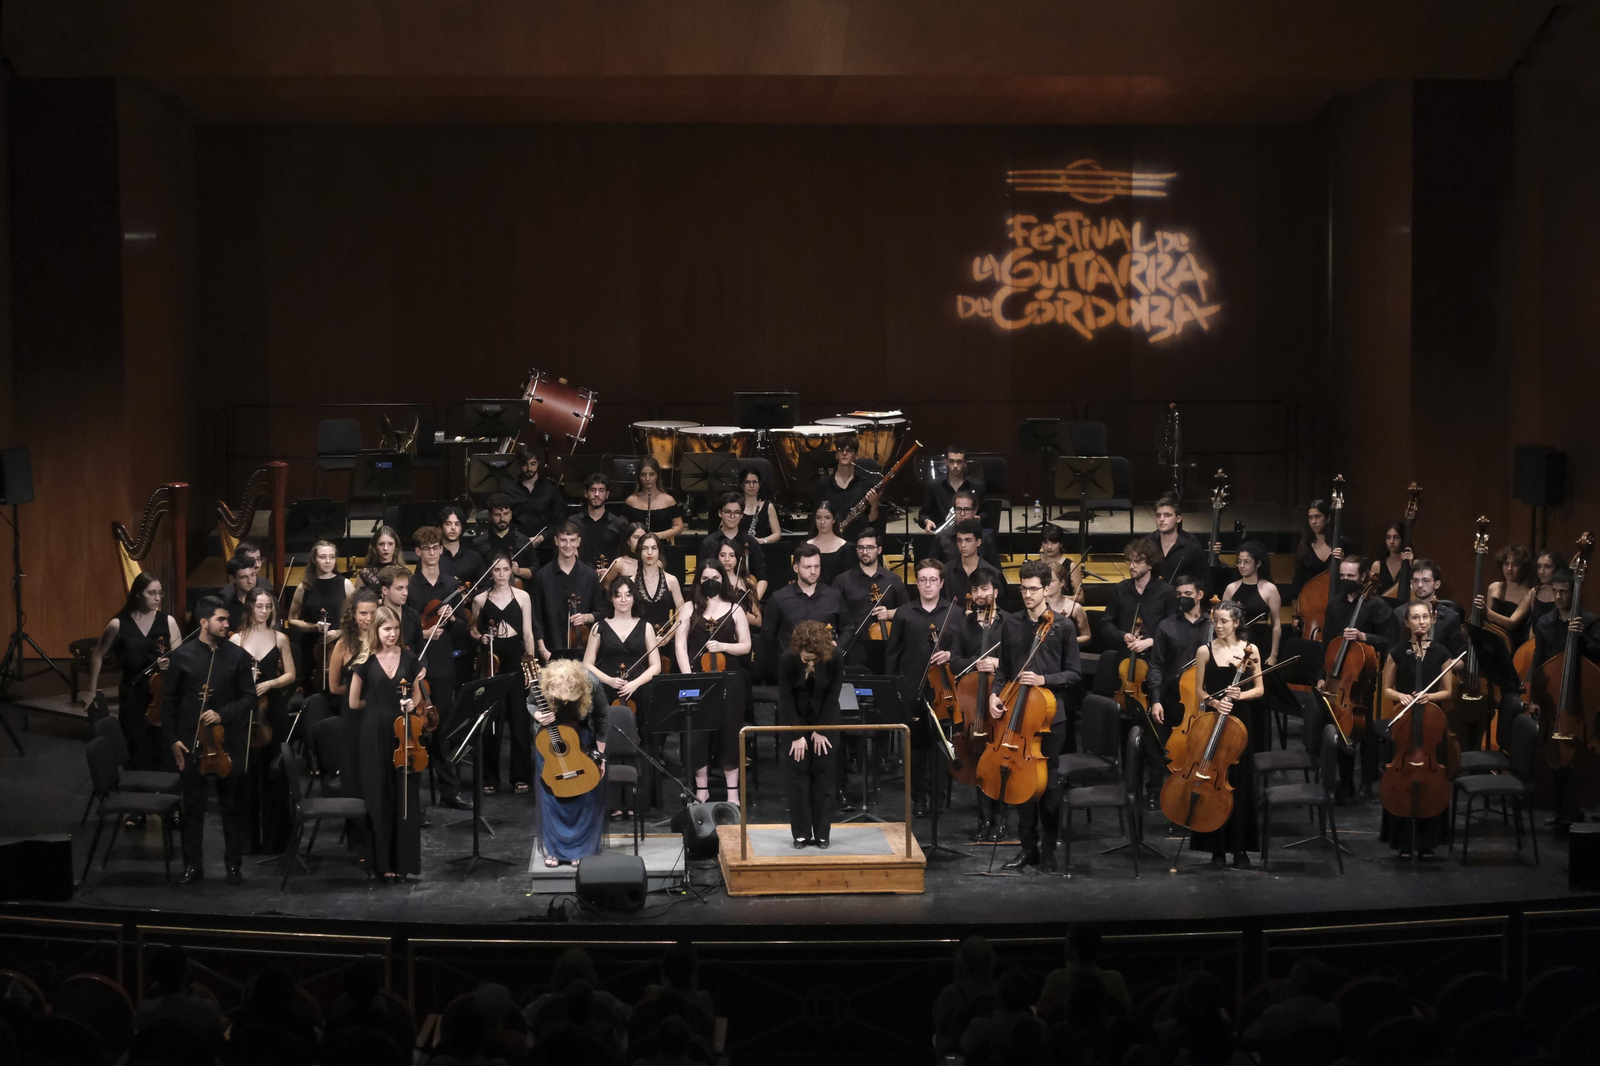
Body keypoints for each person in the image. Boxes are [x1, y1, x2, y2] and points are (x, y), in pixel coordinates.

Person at [991, 560, 1082, 872]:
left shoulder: (1063, 626)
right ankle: (1026, 847)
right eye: (1023, 588)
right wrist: (994, 693)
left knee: (1050, 785)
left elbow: (1074, 674)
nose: (1027, 594)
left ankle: (1049, 849)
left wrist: (1045, 680)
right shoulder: (1010, 623)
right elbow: (1003, 669)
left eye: (1033, 589)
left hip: (1050, 718)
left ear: (1047, 589)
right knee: (1021, 782)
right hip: (1016, 717)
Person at [163, 595, 257, 885]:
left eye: (227, 619)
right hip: (192, 742)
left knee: (232, 806)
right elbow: (169, 702)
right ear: (204, 622)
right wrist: (173, 739)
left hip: (228, 742)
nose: (226, 624)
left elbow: (249, 698)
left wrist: (222, 713)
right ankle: (193, 866)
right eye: (220, 619)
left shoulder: (238, 657)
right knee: (192, 807)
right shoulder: (182, 656)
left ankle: (233, 866)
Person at [347, 605, 425, 881]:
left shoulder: (410, 657)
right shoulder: (364, 660)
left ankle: (404, 862)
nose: (392, 634)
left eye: (395, 629)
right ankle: (382, 863)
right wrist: (379, 704)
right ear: (375, 630)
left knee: (404, 795)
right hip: (373, 733)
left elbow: (417, 697)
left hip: (403, 733)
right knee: (378, 796)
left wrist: (408, 703)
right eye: (386, 629)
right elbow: (353, 702)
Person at [1186, 601, 1266, 868]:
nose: (1218, 626)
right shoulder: (1204, 651)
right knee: (1212, 782)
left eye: (1223, 621)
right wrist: (1215, 702)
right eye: (1215, 621)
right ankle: (1215, 849)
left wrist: (1239, 695)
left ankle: (1240, 849)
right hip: (1214, 721)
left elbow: (1259, 689)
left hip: (1240, 724)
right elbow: (1199, 690)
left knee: (1240, 785)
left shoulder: (1250, 650)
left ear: (1236, 623)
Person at [84, 573, 183, 784]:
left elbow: (182, 659)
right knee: (136, 745)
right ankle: (136, 804)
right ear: (138, 594)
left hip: (161, 693)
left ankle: (163, 802)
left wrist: (170, 665)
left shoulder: (168, 621)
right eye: (151, 593)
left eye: (160, 593)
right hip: (133, 693)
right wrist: (91, 690)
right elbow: (98, 655)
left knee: (163, 746)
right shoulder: (118, 625)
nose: (157, 598)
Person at [885, 557, 965, 817]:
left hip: (946, 692)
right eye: (922, 580)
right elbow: (893, 654)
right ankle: (918, 800)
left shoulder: (955, 613)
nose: (927, 585)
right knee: (916, 751)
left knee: (942, 749)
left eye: (933, 580)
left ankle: (938, 801)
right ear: (916, 584)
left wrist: (950, 654)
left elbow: (964, 652)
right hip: (912, 690)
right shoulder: (905, 613)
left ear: (941, 583)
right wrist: (894, 689)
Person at [1379, 600, 1457, 860]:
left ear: (1432, 619)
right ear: (1407, 622)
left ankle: (1429, 840)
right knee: (1400, 775)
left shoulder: (1441, 652)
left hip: (1431, 728)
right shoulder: (1397, 652)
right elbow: (1386, 689)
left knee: (1434, 777)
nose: (1421, 622)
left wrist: (1429, 697)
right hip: (1404, 724)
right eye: (1416, 617)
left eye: (1425, 617)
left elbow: (1448, 690)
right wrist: (1401, 696)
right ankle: (1401, 839)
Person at [675, 561, 752, 803]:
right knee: (698, 735)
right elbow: (680, 644)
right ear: (699, 580)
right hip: (698, 678)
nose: (712, 582)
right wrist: (688, 677)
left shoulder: (735, 608)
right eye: (707, 577)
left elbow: (746, 645)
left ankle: (732, 793)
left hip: (730, 680)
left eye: (716, 577)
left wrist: (724, 646)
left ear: (723, 580)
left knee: (730, 733)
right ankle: (702, 789)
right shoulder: (688, 608)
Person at [406, 525, 472, 810]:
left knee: (443, 727)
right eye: (427, 549)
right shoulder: (408, 585)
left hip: (444, 663)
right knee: (415, 728)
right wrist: (416, 634)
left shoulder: (450, 584)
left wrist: (453, 620)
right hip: (415, 662)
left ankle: (449, 790)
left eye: (436, 548)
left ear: (441, 550)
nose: (432, 553)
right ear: (418, 552)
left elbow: (463, 631)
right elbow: (400, 622)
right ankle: (414, 796)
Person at [230, 587, 297, 853]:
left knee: (273, 773)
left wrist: (269, 683)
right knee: (246, 775)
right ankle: (247, 841)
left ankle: (276, 840)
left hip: (273, 712)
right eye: (258, 606)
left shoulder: (280, 638)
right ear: (249, 607)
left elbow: (291, 674)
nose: (264, 611)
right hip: (246, 714)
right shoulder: (236, 640)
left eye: (268, 606)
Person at [1320, 555, 1392, 800]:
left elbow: (1390, 640)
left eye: (1351, 576)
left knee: (1366, 730)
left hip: (1363, 677)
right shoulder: (1335, 604)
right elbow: (1327, 643)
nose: (1345, 580)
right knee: (1341, 726)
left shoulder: (1376, 605)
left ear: (1363, 577)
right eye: (1342, 575)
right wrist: (1323, 675)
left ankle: (1367, 784)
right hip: (1338, 676)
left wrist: (1364, 637)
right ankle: (1346, 782)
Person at [530, 659, 611, 867]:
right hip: (549, 744)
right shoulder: (541, 681)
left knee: (584, 795)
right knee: (552, 799)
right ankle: (555, 850)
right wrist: (539, 715)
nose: (564, 704)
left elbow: (603, 717)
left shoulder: (591, 681)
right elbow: (530, 703)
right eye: (559, 700)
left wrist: (600, 757)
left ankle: (582, 849)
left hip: (579, 740)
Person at [472, 553, 541, 794]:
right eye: (496, 570)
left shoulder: (523, 596)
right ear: (490, 572)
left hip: (515, 655)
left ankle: (520, 777)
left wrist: (529, 667)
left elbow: (528, 634)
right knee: (492, 721)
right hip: (492, 657)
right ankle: (489, 778)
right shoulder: (480, 599)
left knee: (520, 721)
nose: (501, 575)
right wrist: (480, 636)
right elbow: (472, 629)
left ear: (511, 570)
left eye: (504, 570)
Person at [1145, 575, 1210, 801]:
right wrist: (1155, 699)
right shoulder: (1166, 626)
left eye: (1188, 594)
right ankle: (1156, 790)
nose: (1182, 599)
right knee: (1163, 746)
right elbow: (1156, 665)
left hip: (1206, 699)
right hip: (1173, 699)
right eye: (1179, 595)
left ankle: (1197, 792)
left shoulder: (1214, 626)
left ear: (1200, 595)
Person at [955, 566, 1009, 841]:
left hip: (1000, 703)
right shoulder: (962, 624)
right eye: (975, 589)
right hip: (973, 709)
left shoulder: (1009, 623)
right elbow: (954, 662)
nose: (979, 594)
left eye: (985, 589)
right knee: (977, 762)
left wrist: (998, 663)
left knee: (1001, 760)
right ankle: (984, 818)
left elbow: (1021, 661)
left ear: (995, 592)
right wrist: (974, 664)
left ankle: (1001, 819)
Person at [778, 620, 842, 848]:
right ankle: (801, 834)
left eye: (815, 658)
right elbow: (785, 699)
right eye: (806, 658)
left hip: (826, 721)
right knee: (798, 777)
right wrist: (797, 735)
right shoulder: (787, 659)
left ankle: (823, 833)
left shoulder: (835, 656)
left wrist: (821, 730)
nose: (811, 662)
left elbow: (834, 693)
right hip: (794, 721)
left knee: (824, 777)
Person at [329, 590, 380, 850]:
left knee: (377, 774)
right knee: (353, 775)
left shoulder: (386, 641)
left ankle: (378, 836)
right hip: (352, 718)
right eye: (363, 613)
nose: (368, 618)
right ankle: (357, 840)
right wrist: (358, 696)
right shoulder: (343, 644)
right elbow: (334, 686)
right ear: (354, 614)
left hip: (379, 718)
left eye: (372, 613)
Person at [1094, 540, 1177, 696]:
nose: (1132, 566)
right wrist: (1123, 635)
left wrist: (1151, 641)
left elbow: (1174, 630)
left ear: (1150, 565)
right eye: (1130, 561)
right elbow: (1106, 624)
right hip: (1124, 660)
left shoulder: (1167, 592)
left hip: (1156, 661)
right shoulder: (1119, 589)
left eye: (1137, 561)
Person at [833, 526, 909, 672]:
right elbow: (834, 613)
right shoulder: (842, 581)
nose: (864, 552)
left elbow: (908, 611)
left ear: (879, 550)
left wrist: (890, 613)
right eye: (860, 547)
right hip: (853, 647)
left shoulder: (894, 580)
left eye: (869, 547)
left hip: (886, 648)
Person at [583, 577, 660, 707]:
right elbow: (587, 664)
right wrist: (610, 681)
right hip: (607, 688)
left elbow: (656, 666)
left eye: (628, 595)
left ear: (634, 598)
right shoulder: (598, 627)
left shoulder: (646, 627)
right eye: (618, 595)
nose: (623, 600)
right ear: (611, 599)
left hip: (639, 688)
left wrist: (635, 684)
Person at [286, 539, 353, 689]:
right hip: (310, 645)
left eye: (332, 557)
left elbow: (356, 620)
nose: (328, 561)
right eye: (323, 557)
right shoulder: (303, 587)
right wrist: (314, 627)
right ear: (314, 560)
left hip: (339, 644)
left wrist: (338, 632)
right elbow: (292, 620)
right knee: (311, 686)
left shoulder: (346, 584)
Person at [1036, 924, 1133, 1022]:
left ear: (1072, 949)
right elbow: (1126, 1013)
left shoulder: (1056, 979)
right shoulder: (1114, 980)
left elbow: (1042, 1014)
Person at [761, 543, 845, 652]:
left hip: (825, 662)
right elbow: (767, 635)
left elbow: (847, 629)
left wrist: (837, 644)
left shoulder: (834, 596)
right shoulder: (779, 597)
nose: (813, 572)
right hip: (791, 663)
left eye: (817, 566)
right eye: (808, 567)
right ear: (796, 568)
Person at [536, 522, 601, 659]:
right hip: (551, 649)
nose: (568, 545)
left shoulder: (590, 575)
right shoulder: (542, 576)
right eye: (563, 540)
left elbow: (600, 612)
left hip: (583, 650)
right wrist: (543, 650)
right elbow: (536, 618)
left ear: (579, 542)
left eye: (572, 540)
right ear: (556, 541)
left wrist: (586, 617)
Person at [698, 492, 770, 597]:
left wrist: (753, 603)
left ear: (741, 515)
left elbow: (762, 578)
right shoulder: (708, 543)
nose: (732, 516)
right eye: (727, 512)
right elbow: (700, 578)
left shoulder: (751, 542)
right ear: (720, 513)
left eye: (737, 512)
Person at [814, 435, 881, 540]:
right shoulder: (825, 484)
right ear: (836, 455)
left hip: (859, 542)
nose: (844, 453)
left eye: (849, 450)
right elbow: (817, 519)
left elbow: (872, 521)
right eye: (841, 450)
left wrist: (874, 504)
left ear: (856, 455)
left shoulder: (866, 484)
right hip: (832, 541)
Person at [629, 532, 685, 653]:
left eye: (654, 548)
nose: (650, 553)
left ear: (659, 551)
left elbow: (683, 614)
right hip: (639, 640)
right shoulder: (631, 582)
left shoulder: (671, 580)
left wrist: (668, 637)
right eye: (645, 548)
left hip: (665, 639)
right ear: (639, 552)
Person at [505, 445, 565, 553]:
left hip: (546, 546)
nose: (529, 469)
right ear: (519, 464)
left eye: (533, 464)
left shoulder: (551, 490)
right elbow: (506, 520)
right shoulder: (509, 490)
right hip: (517, 546)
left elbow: (559, 522)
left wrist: (542, 537)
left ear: (538, 463)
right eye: (525, 464)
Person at [1290, 497, 1352, 602]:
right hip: (1311, 599)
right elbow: (1298, 578)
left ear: (1328, 518)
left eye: (1318, 517)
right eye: (1310, 517)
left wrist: (1343, 561)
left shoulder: (1342, 542)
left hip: (1338, 597)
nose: (1313, 522)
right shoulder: (1304, 545)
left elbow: (1354, 573)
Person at [1479, 542, 1536, 647]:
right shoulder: (1493, 587)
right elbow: (1489, 622)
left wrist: (1486, 610)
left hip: (1512, 644)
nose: (1509, 568)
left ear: (1523, 567)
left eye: (1515, 564)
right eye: (1506, 564)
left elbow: (1511, 623)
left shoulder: (1529, 593)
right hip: (1493, 643)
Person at [920, 444, 984, 533]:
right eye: (951, 461)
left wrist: (977, 518)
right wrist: (927, 521)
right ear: (946, 462)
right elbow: (923, 514)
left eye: (959, 462)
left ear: (965, 463)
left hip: (969, 534)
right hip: (941, 537)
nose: (955, 465)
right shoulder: (934, 485)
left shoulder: (977, 486)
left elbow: (986, 514)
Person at [472, 495, 535, 585]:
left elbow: (534, 570)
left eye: (506, 514)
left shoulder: (523, 540)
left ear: (511, 515)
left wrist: (518, 571)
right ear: (489, 516)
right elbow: (473, 574)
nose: (502, 519)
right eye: (497, 515)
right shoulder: (478, 543)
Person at [1146, 494, 1206, 587]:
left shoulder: (1192, 549)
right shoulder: (1147, 544)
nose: (1161, 519)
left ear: (1178, 519)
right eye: (1158, 515)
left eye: (1167, 515)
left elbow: (1205, 583)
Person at [932, 490, 1002, 570]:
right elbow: (932, 570)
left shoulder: (986, 539)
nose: (962, 514)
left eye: (967, 509)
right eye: (958, 509)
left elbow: (996, 573)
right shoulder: (941, 538)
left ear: (975, 510)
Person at [621, 457, 686, 540]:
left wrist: (657, 536)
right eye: (643, 475)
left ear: (657, 475)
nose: (647, 479)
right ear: (639, 477)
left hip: (662, 547)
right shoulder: (631, 501)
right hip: (637, 548)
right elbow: (623, 528)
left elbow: (679, 527)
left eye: (652, 474)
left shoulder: (668, 500)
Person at [945, 518, 1007, 605]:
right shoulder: (946, 571)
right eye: (959, 540)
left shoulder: (993, 574)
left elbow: (1002, 609)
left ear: (978, 542)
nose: (963, 545)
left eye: (968, 540)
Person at [576, 473, 628, 568]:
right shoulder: (573, 523)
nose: (597, 494)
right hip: (581, 579)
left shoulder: (618, 524)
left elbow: (625, 556)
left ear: (607, 494)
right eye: (593, 490)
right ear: (585, 493)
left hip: (611, 579)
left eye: (601, 490)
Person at [1044, 560, 1092, 647]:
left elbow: (1087, 636)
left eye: (1052, 580)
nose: (1047, 584)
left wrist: (1069, 640)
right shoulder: (1037, 606)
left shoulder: (1076, 608)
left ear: (1062, 583)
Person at [438, 505, 487, 586]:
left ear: (461, 528)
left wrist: (471, 596)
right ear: (440, 527)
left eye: (457, 524)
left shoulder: (474, 557)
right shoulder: (431, 556)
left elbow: (485, 586)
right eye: (448, 524)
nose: (453, 528)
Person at [805, 500, 851, 586]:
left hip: (838, 596)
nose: (822, 522)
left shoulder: (846, 548)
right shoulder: (805, 546)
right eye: (818, 518)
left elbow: (850, 581)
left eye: (827, 518)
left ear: (834, 520)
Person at [1370, 521, 1414, 611]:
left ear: (1403, 539)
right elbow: (1371, 594)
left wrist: (1411, 565)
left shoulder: (1414, 563)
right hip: (1382, 611)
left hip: (1408, 611)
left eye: (1396, 538)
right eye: (1388, 537)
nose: (1391, 542)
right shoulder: (1377, 565)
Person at [738, 465, 783, 543]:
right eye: (747, 482)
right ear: (742, 485)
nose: (751, 486)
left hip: (760, 550)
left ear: (760, 485)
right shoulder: (735, 506)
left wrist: (761, 541)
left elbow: (777, 534)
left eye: (755, 482)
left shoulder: (768, 506)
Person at [218, 554, 261, 633]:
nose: (250, 581)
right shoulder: (226, 607)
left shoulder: (268, 602)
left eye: (253, 575)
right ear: (232, 579)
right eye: (244, 577)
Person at [358, 526, 407, 592]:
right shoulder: (365, 574)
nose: (385, 548)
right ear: (375, 547)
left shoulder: (405, 573)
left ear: (396, 547)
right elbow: (356, 600)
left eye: (390, 544)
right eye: (381, 544)